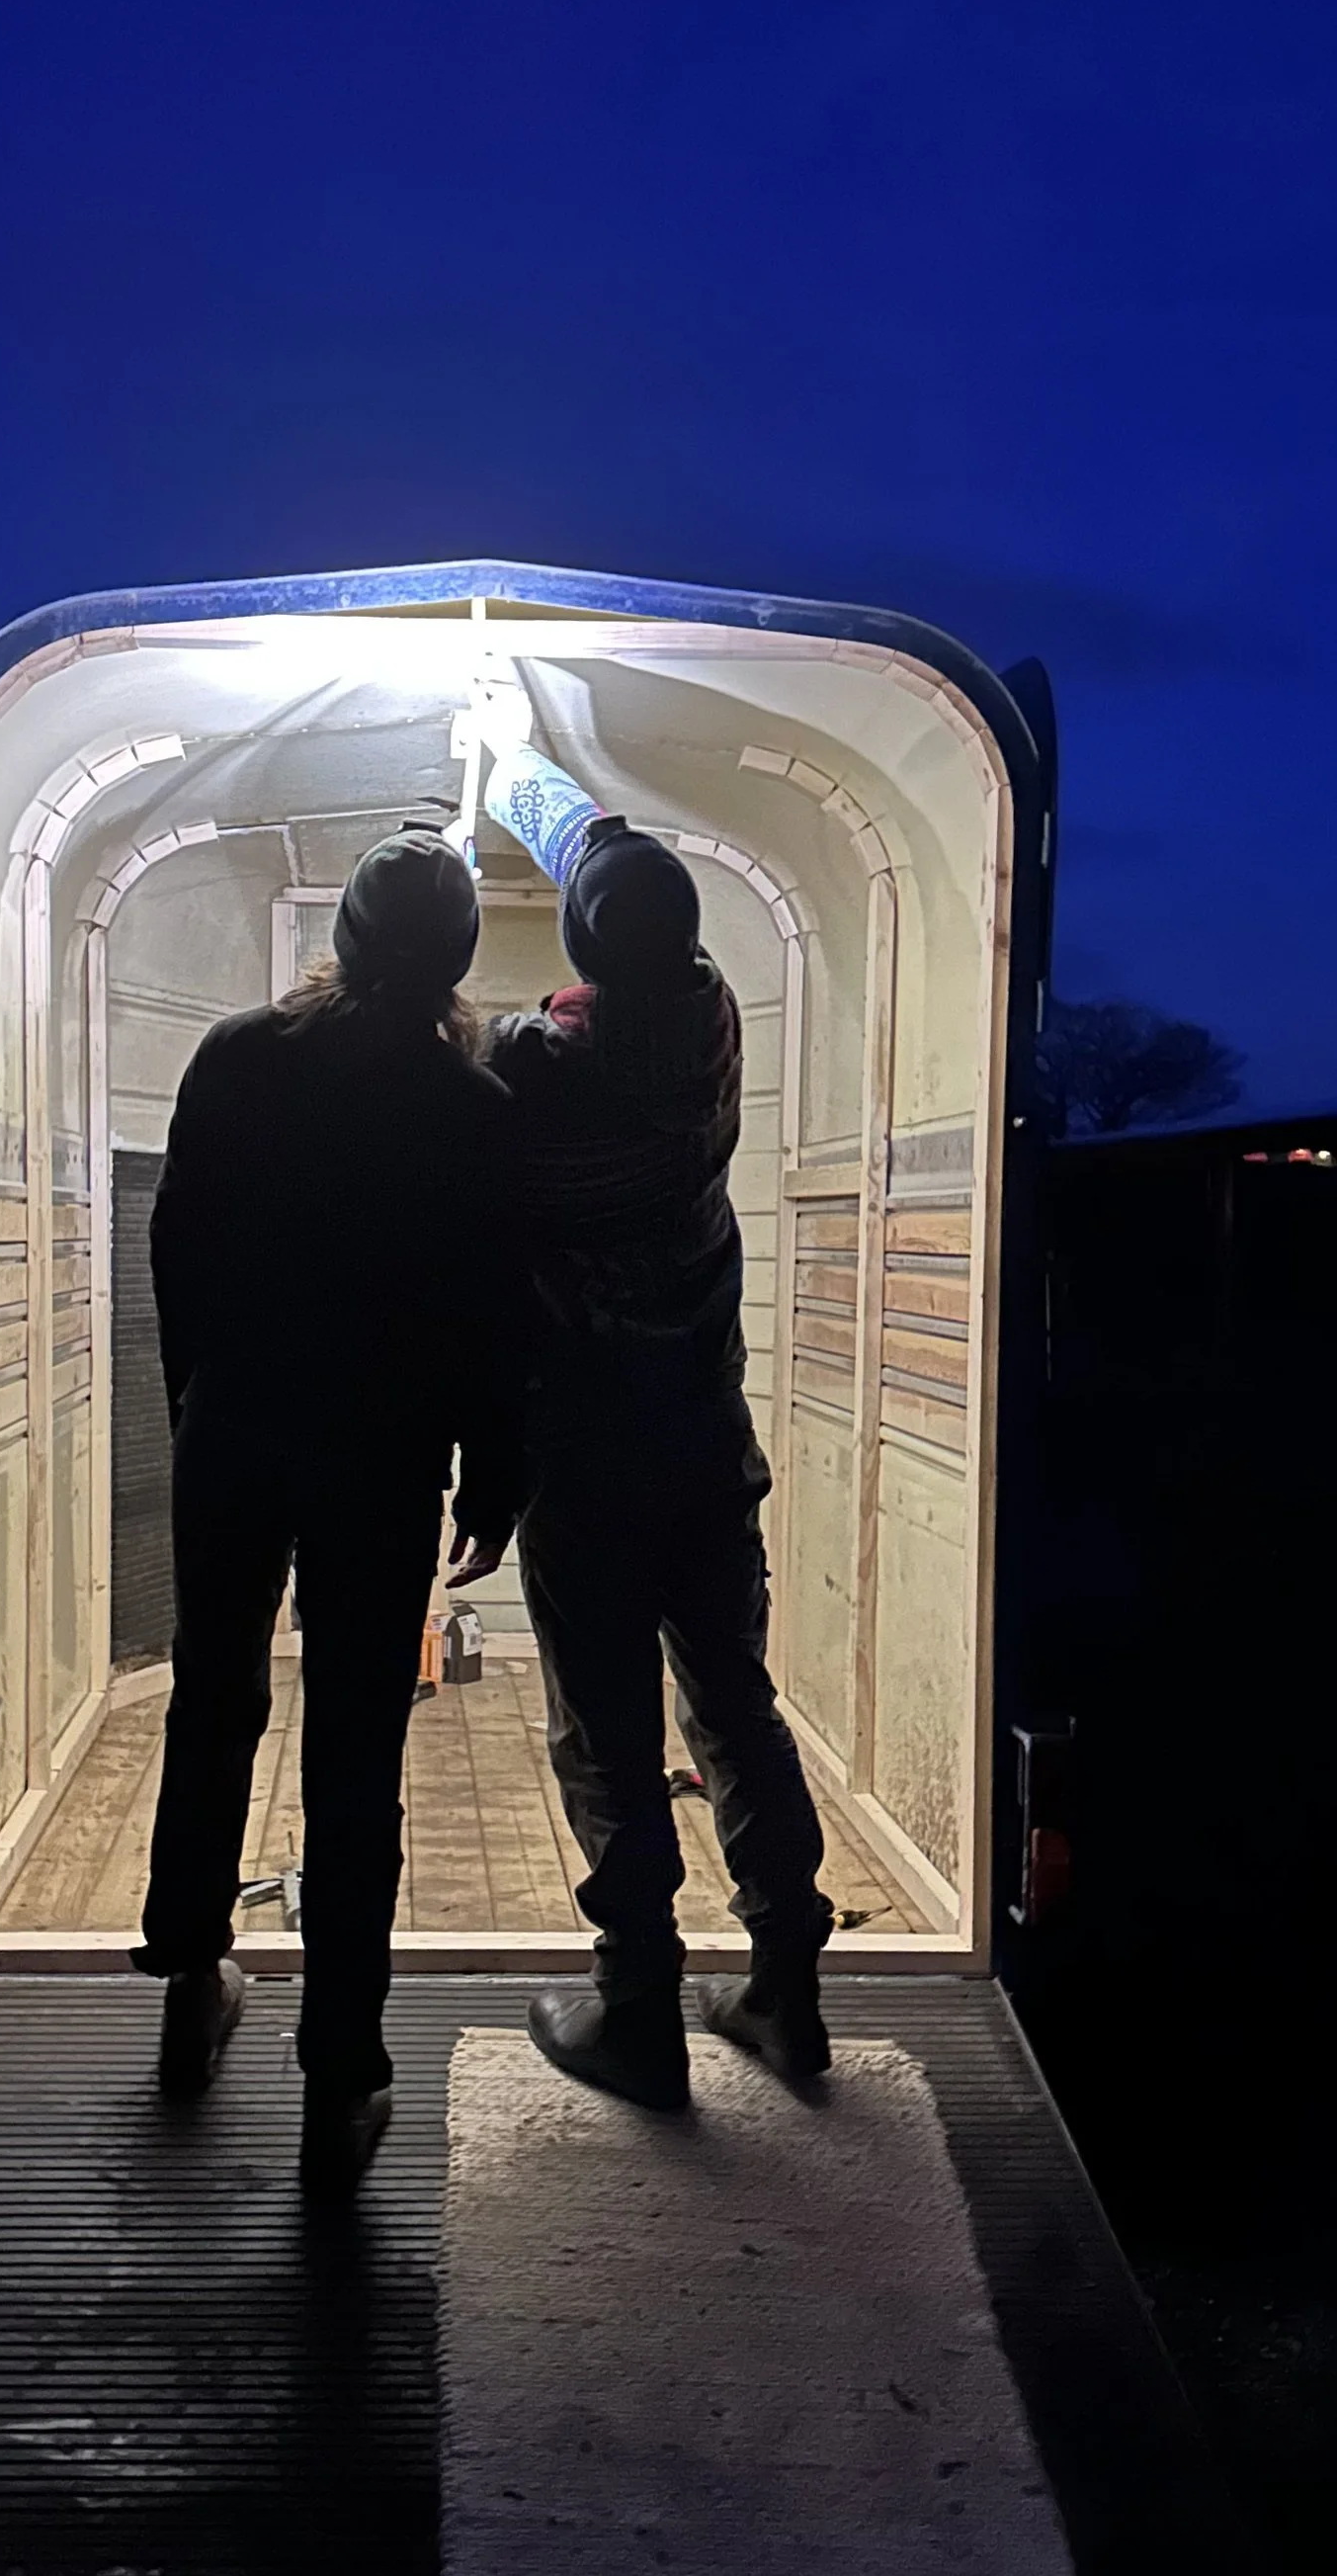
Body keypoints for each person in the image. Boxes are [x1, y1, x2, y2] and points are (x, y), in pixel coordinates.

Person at [451, 714, 832, 2109]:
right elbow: (615, 871)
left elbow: (459, 1037)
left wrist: (486, 770)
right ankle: (788, 1990)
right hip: (706, 1457)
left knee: (605, 1734)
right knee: (738, 1709)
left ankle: (640, 2014)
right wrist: (531, 767)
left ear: (584, 960)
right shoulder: (714, 1016)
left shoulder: (536, 1068)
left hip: (588, 1467)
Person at [133, 829, 522, 2191]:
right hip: (381, 1457)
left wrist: (198, 1398)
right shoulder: (468, 1109)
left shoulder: (239, 1059)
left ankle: (192, 1977)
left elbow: (174, 1244)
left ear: (342, 941)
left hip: (233, 1429)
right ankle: (340, 2076)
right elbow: (492, 1314)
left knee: (214, 1695)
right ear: (458, 958)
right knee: (357, 1751)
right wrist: (496, 1471)